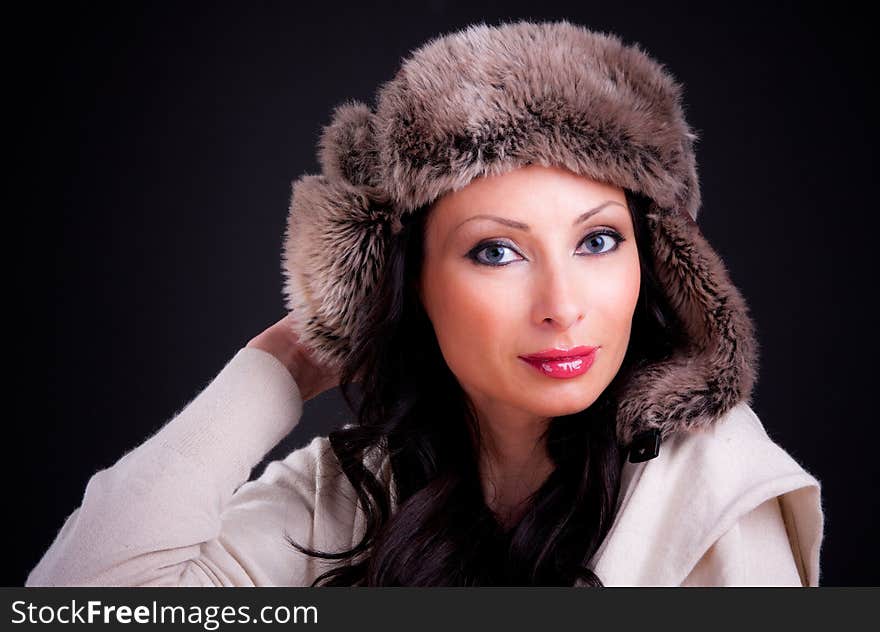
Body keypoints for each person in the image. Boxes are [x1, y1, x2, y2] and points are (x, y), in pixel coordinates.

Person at [27, 19, 824, 587]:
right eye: (497, 250)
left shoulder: (712, 488)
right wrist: (285, 359)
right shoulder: (345, 490)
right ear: (406, 279)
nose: (562, 306)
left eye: (597, 241)